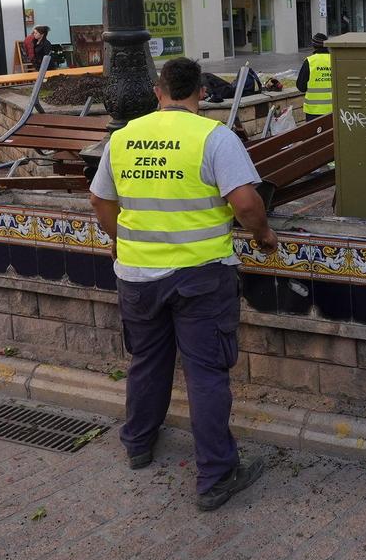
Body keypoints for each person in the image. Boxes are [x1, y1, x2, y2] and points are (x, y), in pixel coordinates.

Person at [88, 56, 276, 512]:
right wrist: (263, 235)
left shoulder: (123, 137)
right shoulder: (214, 137)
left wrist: (120, 242)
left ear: (158, 90)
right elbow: (246, 202)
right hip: (200, 276)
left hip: (136, 276)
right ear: (202, 93)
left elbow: (99, 198)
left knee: (147, 361)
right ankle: (216, 475)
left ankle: (137, 443)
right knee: (206, 373)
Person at [296, 34, 331, 118]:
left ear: (313, 45)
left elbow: (301, 87)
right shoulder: (335, 59)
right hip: (333, 110)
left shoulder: (310, 61)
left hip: (313, 111)